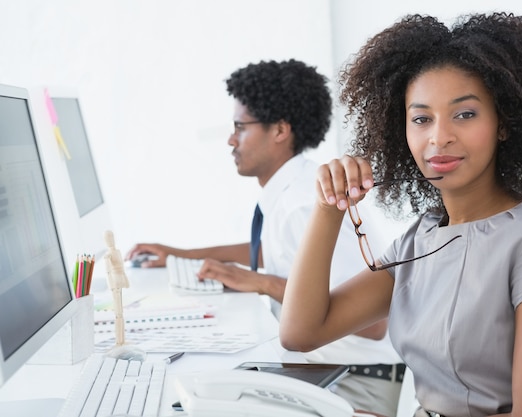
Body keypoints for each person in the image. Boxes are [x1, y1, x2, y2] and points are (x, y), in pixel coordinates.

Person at [279, 12, 522, 417]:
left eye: (465, 114)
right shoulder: (422, 237)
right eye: (421, 119)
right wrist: (329, 209)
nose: (439, 137)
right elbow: (300, 333)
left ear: (504, 124)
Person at [125, 59, 405, 416]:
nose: (231, 139)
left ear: (280, 131)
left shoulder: (304, 203)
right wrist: (182, 254)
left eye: (240, 127)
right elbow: (271, 251)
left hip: (357, 383)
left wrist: (260, 283)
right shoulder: (290, 190)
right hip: (323, 373)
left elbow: (374, 323)